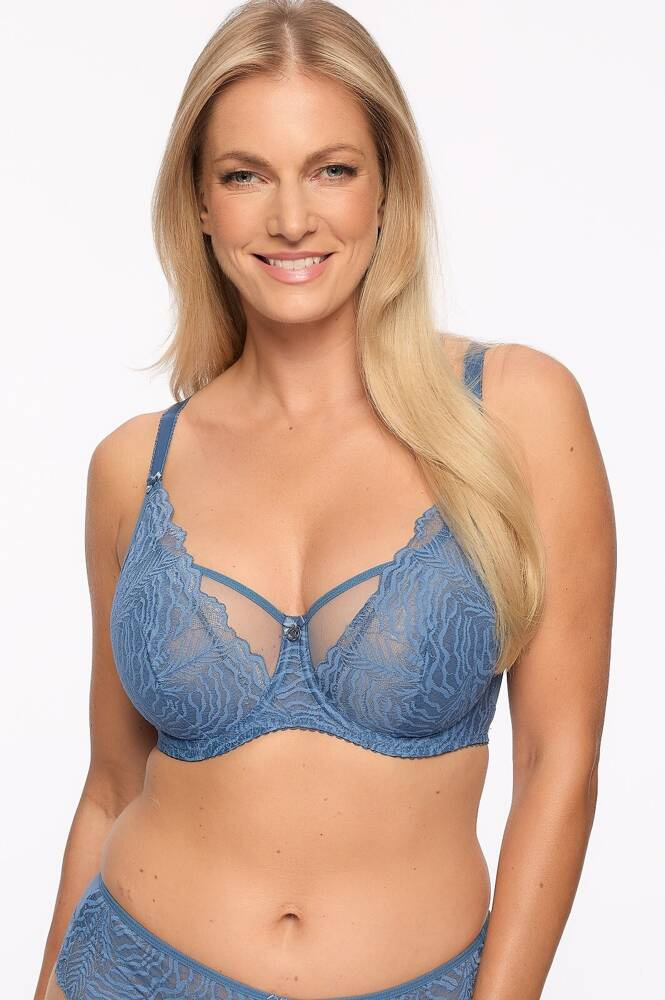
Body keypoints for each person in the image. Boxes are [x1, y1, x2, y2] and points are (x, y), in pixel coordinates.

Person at [37, 2, 615, 998]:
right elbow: (111, 785)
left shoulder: (514, 413)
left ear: (387, 187)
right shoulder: (135, 466)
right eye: (244, 175)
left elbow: (557, 764)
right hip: (125, 971)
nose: (291, 219)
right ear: (200, 204)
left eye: (331, 170)